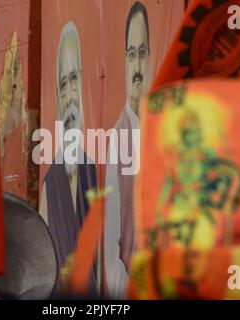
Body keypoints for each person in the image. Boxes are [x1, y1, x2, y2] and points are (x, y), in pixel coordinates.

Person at [39, 21, 97, 291]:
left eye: (74, 79)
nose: (70, 95)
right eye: (63, 84)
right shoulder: (50, 184)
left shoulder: (96, 168)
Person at [104, 1, 151, 299]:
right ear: (124, 60)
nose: (137, 66)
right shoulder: (117, 137)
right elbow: (112, 248)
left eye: (142, 53)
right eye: (131, 54)